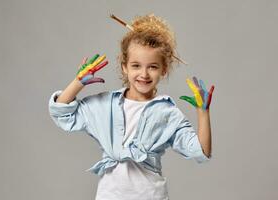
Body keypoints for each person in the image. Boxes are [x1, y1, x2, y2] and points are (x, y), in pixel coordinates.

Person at [48, 13, 214, 200]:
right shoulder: (105, 105)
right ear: (124, 67)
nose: (144, 74)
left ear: (164, 69)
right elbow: (62, 113)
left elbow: (201, 151)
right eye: (136, 65)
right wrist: (78, 83)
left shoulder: (167, 112)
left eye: (152, 66)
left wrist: (203, 112)